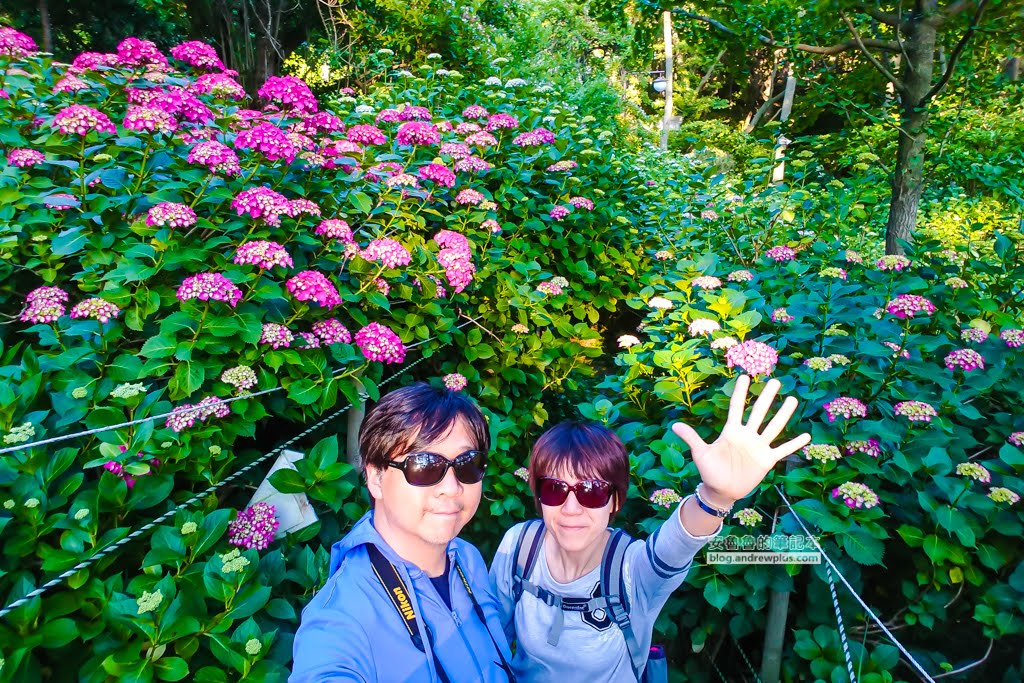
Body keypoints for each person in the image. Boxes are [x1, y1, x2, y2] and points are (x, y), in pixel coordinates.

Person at [489, 375, 810, 682]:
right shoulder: (520, 546)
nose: (571, 509)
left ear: (615, 501)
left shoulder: (631, 569)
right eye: (555, 489)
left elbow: (674, 548)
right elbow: (491, 639)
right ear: (538, 496)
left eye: (593, 491)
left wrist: (716, 497)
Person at [291, 383, 516, 682]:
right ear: (376, 478)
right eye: (423, 465)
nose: (452, 488)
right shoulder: (341, 618)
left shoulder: (466, 557)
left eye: (467, 464)